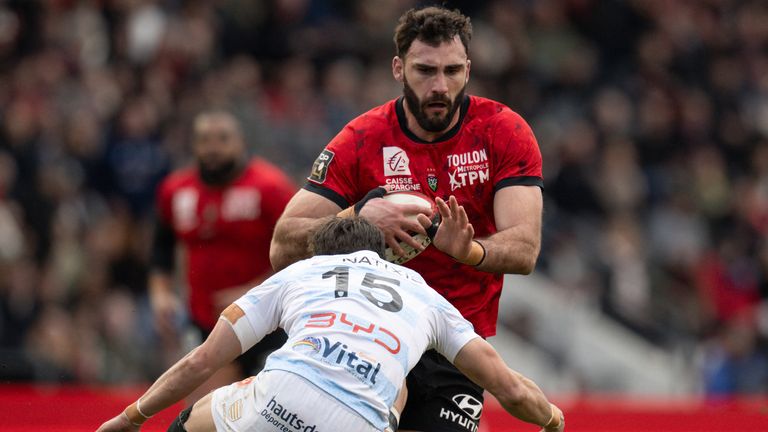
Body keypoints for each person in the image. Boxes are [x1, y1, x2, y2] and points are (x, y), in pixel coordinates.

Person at [269, 6, 544, 430]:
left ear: (468, 69)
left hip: (454, 344)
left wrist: (470, 251)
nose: (440, 86)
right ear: (398, 68)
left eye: (452, 71)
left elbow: (525, 248)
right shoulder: (361, 139)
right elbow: (282, 245)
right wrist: (358, 215)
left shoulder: (503, 132)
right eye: (425, 70)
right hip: (365, 334)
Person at [97, 217, 564, 432]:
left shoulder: (300, 272)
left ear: (323, 255)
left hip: (282, 399)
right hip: (358, 422)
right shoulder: (425, 294)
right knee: (397, 389)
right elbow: (511, 389)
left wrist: (131, 416)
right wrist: (551, 420)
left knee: (196, 418)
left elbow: (200, 361)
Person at [149, 110, 296, 403]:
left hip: (267, 320)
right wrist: (161, 294)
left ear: (240, 143)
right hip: (205, 320)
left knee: (267, 406)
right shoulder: (175, 190)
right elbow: (161, 247)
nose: (213, 148)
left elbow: (299, 251)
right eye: (205, 140)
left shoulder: (270, 187)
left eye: (222, 139)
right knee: (206, 408)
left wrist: (254, 290)